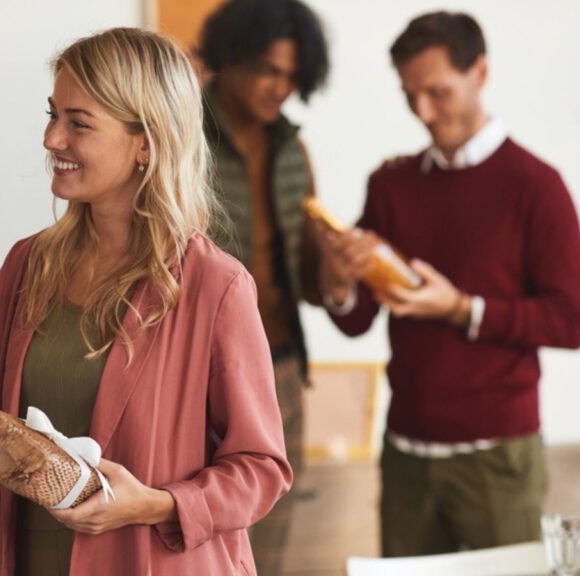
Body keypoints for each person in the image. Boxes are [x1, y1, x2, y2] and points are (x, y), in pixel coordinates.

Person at [0, 27, 290, 576]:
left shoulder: (215, 286)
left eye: (78, 123)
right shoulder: (28, 266)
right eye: (52, 114)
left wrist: (156, 503)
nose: (51, 139)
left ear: (147, 143)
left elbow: (260, 468)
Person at [316, 11, 580, 557]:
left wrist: (462, 308)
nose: (422, 111)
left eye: (437, 92)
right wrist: (338, 279)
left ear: (480, 72)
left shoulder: (536, 185)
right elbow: (357, 318)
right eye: (410, 95)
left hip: (499, 458)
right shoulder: (391, 183)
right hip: (405, 453)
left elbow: (572, 320)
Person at [195, 1, 330, 572]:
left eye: (292, 76)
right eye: (269, 70)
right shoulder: (179, 136)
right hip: (197, 380)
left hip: (281, 376)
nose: (281, 87)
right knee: (194, 548)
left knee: (267, 555)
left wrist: (339, 274)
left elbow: (306, 280)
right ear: (231, 56)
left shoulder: (292, 150)